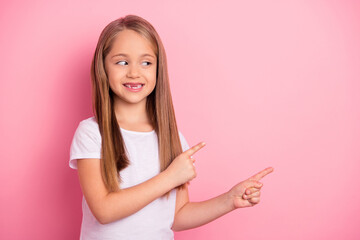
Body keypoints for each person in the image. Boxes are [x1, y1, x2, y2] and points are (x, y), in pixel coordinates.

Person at [69, 14, 274, 240]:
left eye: (146, 62)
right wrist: (169, 177)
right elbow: (104, 211)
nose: (134, 72)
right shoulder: (91, 133)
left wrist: (229, 200)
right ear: (103, 67)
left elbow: (176, 216)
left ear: (158, 69)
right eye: (122, 62)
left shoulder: (171, 137)